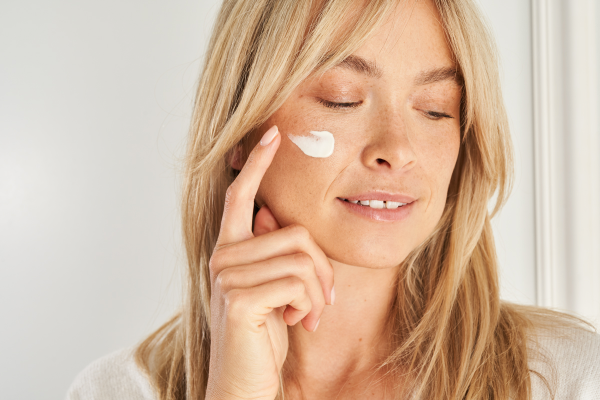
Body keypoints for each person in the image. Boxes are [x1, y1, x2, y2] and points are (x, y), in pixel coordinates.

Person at [66, 0, 600, 399]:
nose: (397, 150)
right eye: (341, 99)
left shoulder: (567, 379)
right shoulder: (116, 390)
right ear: (239, 131)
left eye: (435, 108)